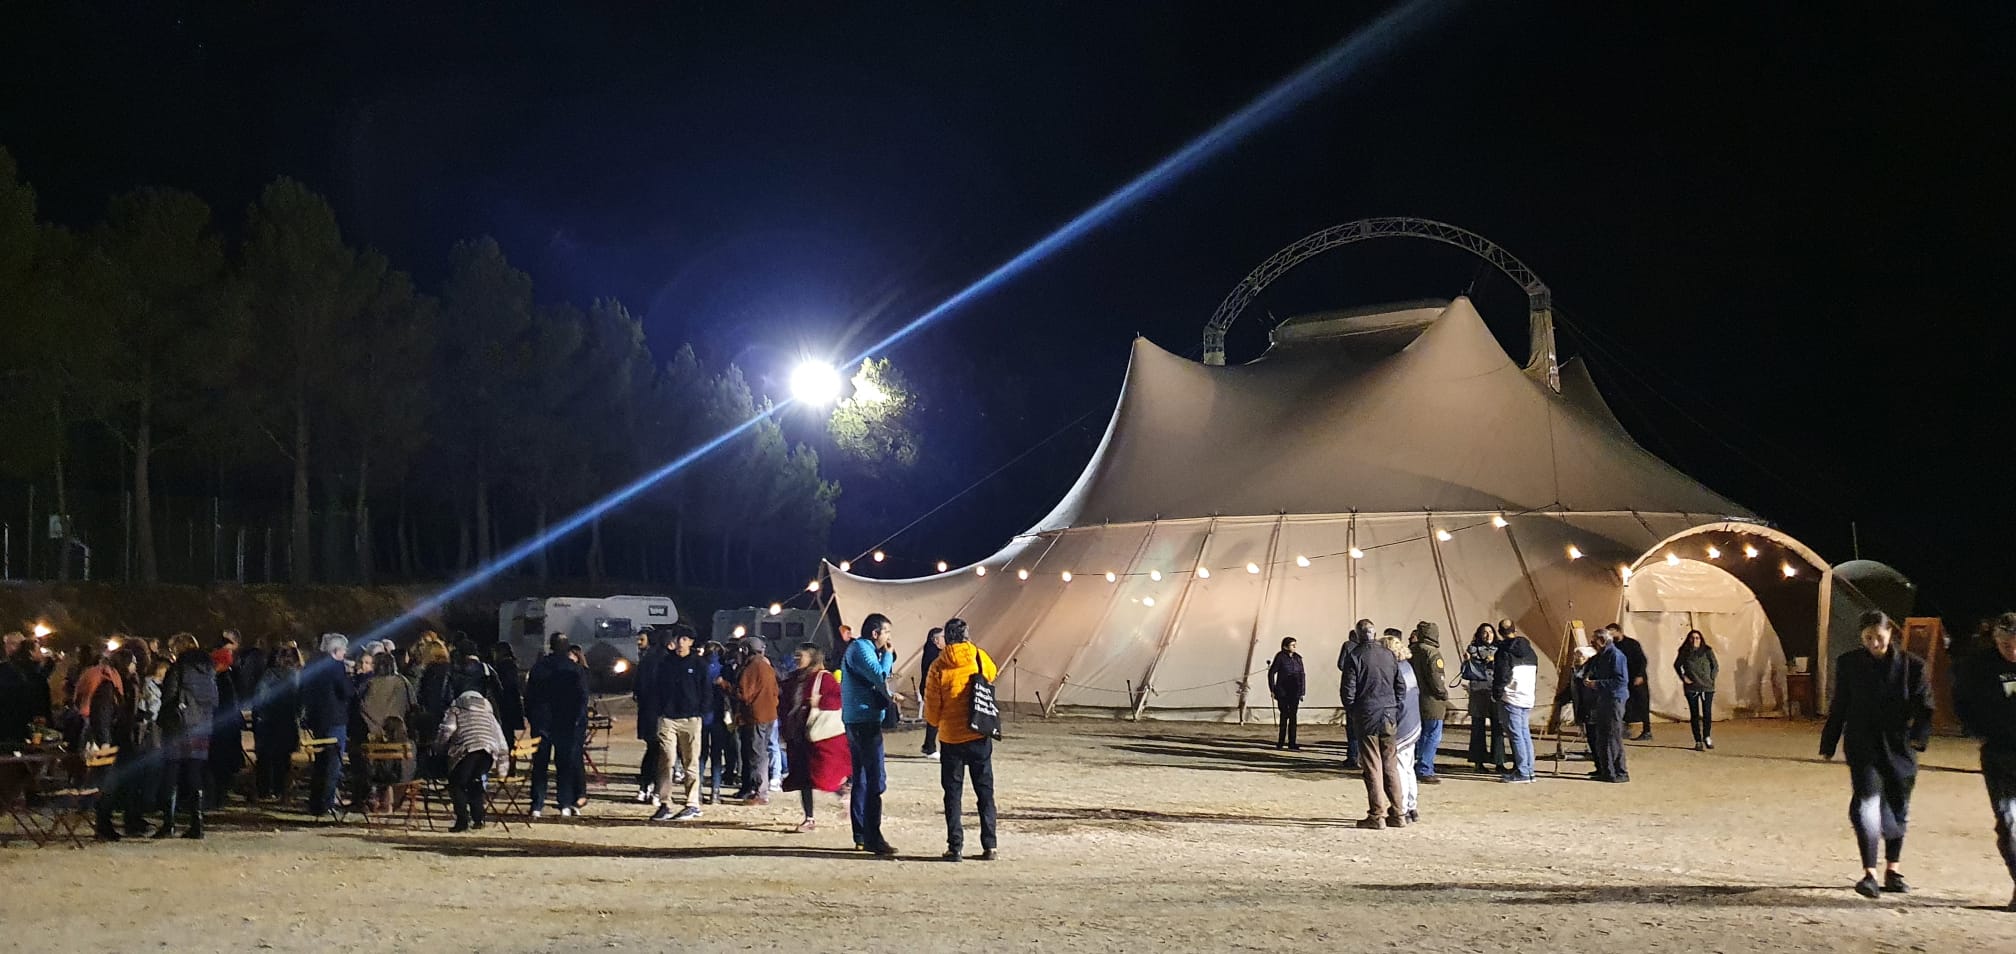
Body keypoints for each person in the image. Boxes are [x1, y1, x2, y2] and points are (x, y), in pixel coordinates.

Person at [1821, 610, 1932, 899]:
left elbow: (1925, 705)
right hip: (1863, 744)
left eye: (1879, 638)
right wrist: (1829, 741)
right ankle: (1869, 872)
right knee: (1866, 805)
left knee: (1898, 806)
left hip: (1899, 747)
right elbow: (1840, 703)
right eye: (1868, 638)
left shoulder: (1913, 667)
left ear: (1891, 634)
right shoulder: (1849, 663)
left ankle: (1892, 870)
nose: (1874, 644)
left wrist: (1919, 736)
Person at [924, 617, 1000, 861]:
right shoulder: (979, 656)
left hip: (951, 737)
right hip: (978, 732)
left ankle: (955, 847)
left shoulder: (938, 666)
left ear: (946, 638)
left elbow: (932, 709)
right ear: (967, 635)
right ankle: (990, 845)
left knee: (953, 794)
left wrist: (937, 724)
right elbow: (992, 674)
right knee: (985, 791)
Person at [1954, 612, 2016, 911]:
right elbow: (1962, 702)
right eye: (2006, 644)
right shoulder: (1979, 667)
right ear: (1996, 639)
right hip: (1999, 755)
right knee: (2007, 823)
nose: (2012, 650)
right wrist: (1977, 731)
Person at [842, 613, 901, 855]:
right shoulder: (860, 648)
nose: (889, 638)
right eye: (887, 632)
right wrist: (887, 656)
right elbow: (880, 676)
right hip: (863, 722)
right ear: (875, 633)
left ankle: (862, 835)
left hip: (859, 721)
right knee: (875, 780)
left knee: (863, 779)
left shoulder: (861, 649)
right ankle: (872, 836)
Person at [1340, 622, 1407, 829]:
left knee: (1372, 766)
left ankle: (1377, 815)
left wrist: (1353, 712)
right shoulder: (1388, 655)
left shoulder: (1355, 656)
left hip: (1367, 715)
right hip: (1389, 715)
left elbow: (1348, 691)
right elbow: (1400, 686)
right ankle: (1398, 813)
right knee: (1390, 765)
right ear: (1375, 634)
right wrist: (1395, 708)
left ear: (1358, 635)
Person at [781, 643, 850, 833]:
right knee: (804, 778)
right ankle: (809, 818)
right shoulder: (794, 678)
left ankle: (844, 793)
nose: (796, 659)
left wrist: (820, 701)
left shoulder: (824, 678)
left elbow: (840, 699)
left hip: (817, 736)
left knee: (821, 775)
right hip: (798, 735)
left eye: (800, 655)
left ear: (812, 657)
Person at [157, 633, 219, 838]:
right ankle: (197, 823)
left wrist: (163, 720)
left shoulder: (178, 669)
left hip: (178, 727)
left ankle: (169, 823)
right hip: (202, 725)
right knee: (194, 772)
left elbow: (169, 697)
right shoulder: (209, 671)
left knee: (171, 773)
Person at [648, 625, 712, 822]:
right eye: (678, 638)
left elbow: (707, 690)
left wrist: (701, 712)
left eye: (684, 639)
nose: (680, 642)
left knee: (690, 762)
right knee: (666, 759)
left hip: (691, 719)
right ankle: (665, 803)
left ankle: (692, 803)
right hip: (668, 718)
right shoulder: (665, 663)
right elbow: (656, 687)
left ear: (691, 642)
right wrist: (659, 711)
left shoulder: (699, 664)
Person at [524, 633, 590, 818]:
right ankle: (565, 803)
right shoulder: (575, 669)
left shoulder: (539, 668)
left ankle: (537, 804)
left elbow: (529, 696)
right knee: (565, 764)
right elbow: (582, 698)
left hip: (542, 721)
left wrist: (531, 716)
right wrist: (578, 720)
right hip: (566, 722)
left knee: (540, 764)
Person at [434, 689, 509, 832]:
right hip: (488, 751)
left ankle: (462, 821)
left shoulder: (456, 709)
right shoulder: (488, 714)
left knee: (457, 784)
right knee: (475, 781)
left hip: (466, 749)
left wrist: (438, 746)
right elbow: (501, 739)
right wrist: (502, 769)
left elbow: (448, 729)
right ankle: (478, 818)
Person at [299, 633, 354, 818]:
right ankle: (327, 803)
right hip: (335, 719)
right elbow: (346, 691)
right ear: (336, 651)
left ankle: (315, 802)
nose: (345, 654)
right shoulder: (336, 667)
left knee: (320, 761)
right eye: (344, 650)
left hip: (317, 719)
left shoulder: (311, 665)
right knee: (333, 763)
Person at [251, 646, 303, 801]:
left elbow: (259, 698)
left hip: (267, 722)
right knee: (283, 758)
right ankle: (280, 790)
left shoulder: (268, 675)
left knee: (265, 757)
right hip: (287, 721)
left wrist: (259, 716)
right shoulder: (296, 676)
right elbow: (300, 702)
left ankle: (264, 790)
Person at [732, 637, 779, 806]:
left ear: (746, 650)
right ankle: (752, 788)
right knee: (760, 752)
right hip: (768, 715)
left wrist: (724, 685)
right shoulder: (766, 665)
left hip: (755, 716)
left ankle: (760, 792)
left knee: (756, 754)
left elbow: (743, 694)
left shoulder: (752, 667)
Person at [1582, 626, 1631, 782]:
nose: (1592, 645)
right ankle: (1606, 770)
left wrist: (1596, 684)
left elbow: (1620, 681)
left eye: (1593, 642)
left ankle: (1619, 772)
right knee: (1602, 736)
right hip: (1604, 699)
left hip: (1614, 699)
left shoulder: (1616, 656)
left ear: (1602, 641)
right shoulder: (1601, 656)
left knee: (1613, 736)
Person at [1492, 619, 1538, 783]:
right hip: (1527, 696)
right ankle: (1529, 769)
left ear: (1499, 632)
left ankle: (1522, 772)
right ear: (1515, 630)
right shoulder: (1530, 652)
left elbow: (1502, 675)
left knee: (1516, 734)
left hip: (1511, 696)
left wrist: (1496, 693)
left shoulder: (1504, 652)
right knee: (1524, 733)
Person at [1385, 631, 1423, 823]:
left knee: (1399, 767)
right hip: (1414, 720)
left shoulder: (1395, 671)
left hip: (1403, 723)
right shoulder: (1407, 666)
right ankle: (1412, 806)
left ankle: (1403, 808)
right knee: (1408, 767)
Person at [208, 634, 247, 808]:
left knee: (220, 763)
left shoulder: (222, 679)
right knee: (222, 763)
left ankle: (219, 795)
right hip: (225, 727)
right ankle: (219, 795)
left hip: (221, 727)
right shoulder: (226, 678)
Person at [1407, 622, 1448, 782]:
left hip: (1415, 698)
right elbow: (1436, 679)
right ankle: (1425, 768)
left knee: (1421, 734)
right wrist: (1443, 694)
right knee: (1433, 734)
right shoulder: (1433, 654)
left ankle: (1416, 764)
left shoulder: (1413, 651)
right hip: (1432, 701)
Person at [1461, 623, 1505, 774]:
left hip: (1495, 690)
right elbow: (1465, 672)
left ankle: (1499, 761)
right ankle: (1478, 761)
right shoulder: (1472, 650)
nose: (1488, 635)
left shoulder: (1501, 650)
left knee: (1498, 727)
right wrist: (1467, 661)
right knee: (1478, 727)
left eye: (1490, 632)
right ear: (1479, 635)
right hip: (1478, 691)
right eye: (1484, 632)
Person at [633, 626, 669, 802]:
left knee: (654, 751)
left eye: (642, 639)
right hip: (655, 712)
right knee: (657, 752)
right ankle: (652, 788)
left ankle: (647, 787)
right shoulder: (655, 659)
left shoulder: (652, 660)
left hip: (653, 712)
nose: (639, 643)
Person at [1336, 619, 1375, 768]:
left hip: (1352, 692)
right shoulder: (1371, 650)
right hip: (1367, 692)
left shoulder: (1348, 647)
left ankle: (1353, 756)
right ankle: (1364, 757)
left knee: (1352, 726)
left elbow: (1340, 664)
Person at [1674, 630, 1720, 751]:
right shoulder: (1684, 652)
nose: (1695, 640)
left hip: (1707, 687)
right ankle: (1698, 740)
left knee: (1707, 713)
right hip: (1692, 688)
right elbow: (1677, 665)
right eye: (1693, 638)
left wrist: (1711, 677)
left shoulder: (1707, 651)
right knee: (1694, 714)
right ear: (1689, 640)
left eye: (1697, 638)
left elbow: (1715, 665)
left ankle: (1707, 736)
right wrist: (1683, 677)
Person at [0, 638, 53, 744]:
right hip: (23, 723)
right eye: (38, 650)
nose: (41, 654)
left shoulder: (6, 668)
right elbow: (39, 695)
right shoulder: (33, 674)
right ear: (30, 653)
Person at [1610, 623, 1653, 740]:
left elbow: (1642, 660)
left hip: (1637, 679)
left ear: (1619, 631)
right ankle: (1625, 729)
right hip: (1623, 679)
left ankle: (1647, 730)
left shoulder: (1632, 644)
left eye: (1612, 631)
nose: (1610, 634)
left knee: (1642, 704)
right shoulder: (1612, 646)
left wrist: (1639, 675)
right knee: (1626, 704)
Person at [1267, 636, 1306, 751]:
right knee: (1284, 716)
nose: (1294, 647)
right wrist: (1273, 689)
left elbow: (1302, 675)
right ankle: (1280, 742)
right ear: (1285, 646)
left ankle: (1292, 742)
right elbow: (1271, 673)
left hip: (1295, 692)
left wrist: (1302, 691)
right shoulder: (1280, 657)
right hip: (1283, 692)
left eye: (1295, 645)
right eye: (1292, 645)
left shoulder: (1298, 658)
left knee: (1293, 717)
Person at [488, 642, 525, 751]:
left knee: (505, 731)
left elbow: (506, 685)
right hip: (511, 702)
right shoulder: (511, 665)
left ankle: (508, 756)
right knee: (507, 732)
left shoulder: (504, 666)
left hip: (505, 703)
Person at [919, 627, 945, 759]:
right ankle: (930, 747)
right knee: (935, 718)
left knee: (935, 718)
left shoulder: (934, 651)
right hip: (931, 689)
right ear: (935, 640)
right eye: (943, 637)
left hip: (930, 688)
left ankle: (928, 745)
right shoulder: (933, 654)